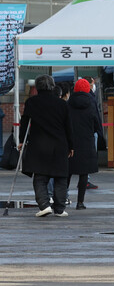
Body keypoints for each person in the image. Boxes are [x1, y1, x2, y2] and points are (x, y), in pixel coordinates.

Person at [20, 75, 73, 217]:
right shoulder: (62, 104)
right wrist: (71, 145)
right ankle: (60, 209)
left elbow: (25, 122)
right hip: (59, 144)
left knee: (40, 176)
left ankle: (44, 205)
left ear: (37, 86)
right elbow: (68, 126)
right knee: (61, 177)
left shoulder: (31, 102)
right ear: (52, 86)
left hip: (39, 144)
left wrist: (21, 140)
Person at [67, 79, 104, 210]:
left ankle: (62, 199)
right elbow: (97, 122)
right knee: (83, 173)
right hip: (87, 141)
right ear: (88, 89)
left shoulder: (69, 103)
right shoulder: (91, 103)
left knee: (68, 172)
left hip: (71, 141)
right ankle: (80, 202)